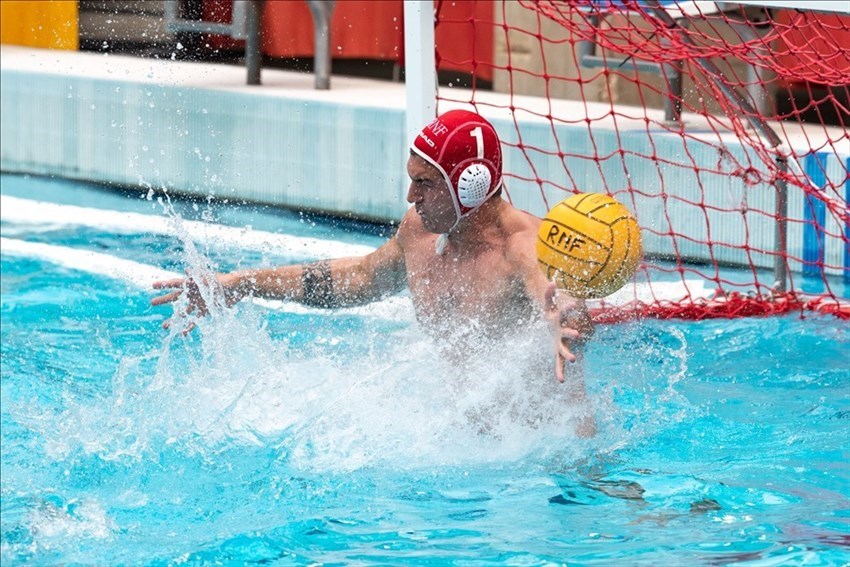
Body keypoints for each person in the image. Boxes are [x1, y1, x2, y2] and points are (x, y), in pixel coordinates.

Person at [151, 110, 594, 432]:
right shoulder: (420, 232)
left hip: (548, 454)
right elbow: (359, 279)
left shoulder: (524, 247)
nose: (410, 197)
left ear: (470, 184)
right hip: (472, 447)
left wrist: (567, 320)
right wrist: (240, 284)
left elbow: (559, 301)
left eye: (424, 183)